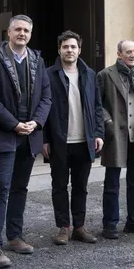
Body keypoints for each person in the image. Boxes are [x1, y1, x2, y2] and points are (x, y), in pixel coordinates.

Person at [0, 15, 51, 269]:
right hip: (4, 134)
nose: (22, 34)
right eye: (18, 30)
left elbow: (46, 96)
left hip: (30, 134)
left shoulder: (37, 60)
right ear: (8, 32)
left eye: (26, 30)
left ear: (30, 35)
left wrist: (37, 122)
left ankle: (14, 236)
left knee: (20, 188)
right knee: (1, 187)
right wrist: (13, 123)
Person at [43, 31, 104, 245]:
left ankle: (79, 226)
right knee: (59, 186)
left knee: (81, 187)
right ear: (59, 49)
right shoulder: (48, 75)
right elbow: (43, 108)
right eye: (65, 47)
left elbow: (97, 106)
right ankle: (63, 228)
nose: (69, 50)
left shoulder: (89, 74)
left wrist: (98, 133)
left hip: (83, 140)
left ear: (79, 49)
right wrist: (44, 139)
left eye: (73, 47)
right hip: (60, 141)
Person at [97, 40, 134, 239]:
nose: (132, 55)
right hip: (116, 135)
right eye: (128, 52)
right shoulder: (105, 74)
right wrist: (108, 122)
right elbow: (98, 104)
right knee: (112, 182)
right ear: (119, 53)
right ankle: (110, 224)